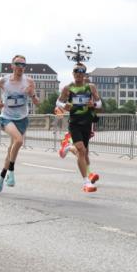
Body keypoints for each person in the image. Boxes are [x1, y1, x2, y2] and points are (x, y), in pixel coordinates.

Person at [0, 54, 40, 192]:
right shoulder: (4, 81)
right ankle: (11, 171)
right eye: (18, 64)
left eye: (23, 65)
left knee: (11, 150)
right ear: (12, 66)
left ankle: (1, 176)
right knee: (19, 140)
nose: (20, 67)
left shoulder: (29, 81)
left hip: (22, 119)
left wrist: (32, 94)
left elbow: (37, 103)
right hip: (7, 117)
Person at [56, 63, 102, 192]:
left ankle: (68, 147)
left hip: (87, 123)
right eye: (76, 71)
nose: (79, 74)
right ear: (73, 73)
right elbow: (58, 102)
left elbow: (99, 104)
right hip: (74, 123)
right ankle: (86, 182)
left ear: (84, 74)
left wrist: (93, 104)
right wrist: (64, 106)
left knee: (83, 151)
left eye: (81, 71)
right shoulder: (68, 88)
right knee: (81, 150)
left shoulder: (90, 87)